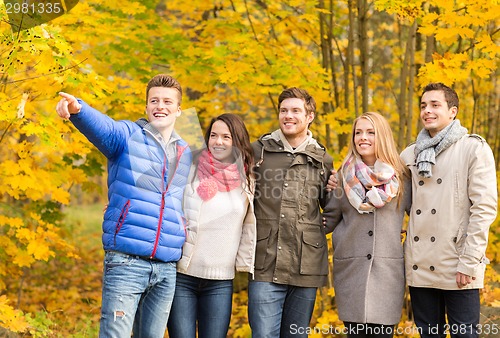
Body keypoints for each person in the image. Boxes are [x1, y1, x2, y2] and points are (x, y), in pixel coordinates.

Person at [55, 74, 192, 338]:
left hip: (166, 267)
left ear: (178, 110)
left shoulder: (185, 151)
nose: (160, 106)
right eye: (154, 100)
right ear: (146, 107)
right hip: (127, 263)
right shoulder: (128, 136)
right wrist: (78, 110)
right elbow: (104, 127)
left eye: (167, 101)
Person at [400, 82, 497, 338]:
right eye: (423, 106)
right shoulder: (410, 154)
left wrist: (469, 261)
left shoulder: (473, 148)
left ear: (452, 111)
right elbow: (388, 192)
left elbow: (484, 208)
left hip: (458, 265)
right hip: (421, 264)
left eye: (435, 105)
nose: (427, 111)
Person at [248, 87, 333, 338]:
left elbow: (332, 209)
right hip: (264, 262)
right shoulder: (258, 152)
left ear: (310, 116)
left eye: (296, 110)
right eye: (283, 110)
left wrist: (317, 231)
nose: (288, 116)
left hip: (305, 265)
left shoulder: (323, 160)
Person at [167, 113, 256, 338]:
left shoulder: (249, 178)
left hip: (220, 282)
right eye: (214, 135)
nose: (218, 141)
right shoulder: (190, 168)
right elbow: (164, 199)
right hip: (183, 275)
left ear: (237, 141)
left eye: (226, 136)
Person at [323, 112, 411, 338]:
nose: (363, 137)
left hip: (388, 273)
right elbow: (329, 219)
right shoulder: (343, 176)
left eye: (370, 132)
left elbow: (421, 216)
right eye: (358, 132)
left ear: (381, 136)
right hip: (351, 273)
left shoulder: (402, 177)